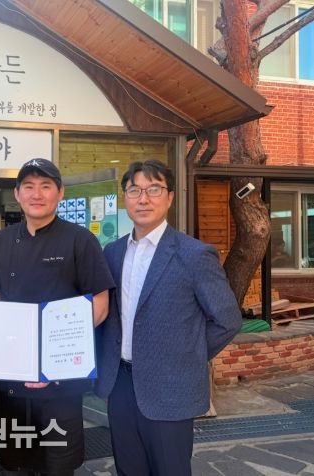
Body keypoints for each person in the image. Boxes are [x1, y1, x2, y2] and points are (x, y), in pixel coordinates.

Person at [95, 160, 242, 476]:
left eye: (154, 189)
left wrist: (186, 355)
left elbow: (227, 319)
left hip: (170, 388)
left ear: (170, 197)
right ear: (125, 198)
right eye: (134, 190)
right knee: (128, 469)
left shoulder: (194, 254)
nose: (143, 199)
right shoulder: (113, 252)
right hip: (120, 384)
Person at [0, 158, 114, 476]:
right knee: (14, 464)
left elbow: (100, 303)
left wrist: (53, 356)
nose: (37, 194)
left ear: (60, 193)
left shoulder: (80, 240)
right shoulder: (1, 241)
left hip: (59, 382)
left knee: (57, 465)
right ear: (17, 194)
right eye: (29, 186)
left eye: (45, 186)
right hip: (11, 380)